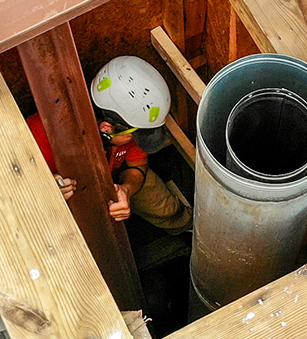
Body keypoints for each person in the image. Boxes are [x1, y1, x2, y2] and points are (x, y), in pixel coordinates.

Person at [27, 55, 192, 234]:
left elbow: (137, 163)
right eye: (135, 136)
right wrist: (47, 192)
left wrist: (126, 190)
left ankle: (185, 227)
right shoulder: (37, 137)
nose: (137, 141)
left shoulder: (129, 122)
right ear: (107, 128)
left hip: (117, 175)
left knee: (166, 209)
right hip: (75, 197)